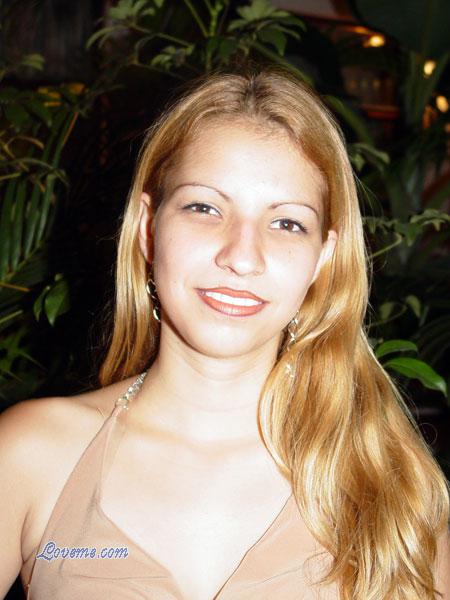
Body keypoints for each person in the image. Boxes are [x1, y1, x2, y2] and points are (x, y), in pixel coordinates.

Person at [0, 67, 449, 600]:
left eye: (286, 223)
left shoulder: (390, 484)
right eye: (204, 207)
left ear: (322, 259)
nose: (241, 256)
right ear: (147, 228)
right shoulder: (32, 453)